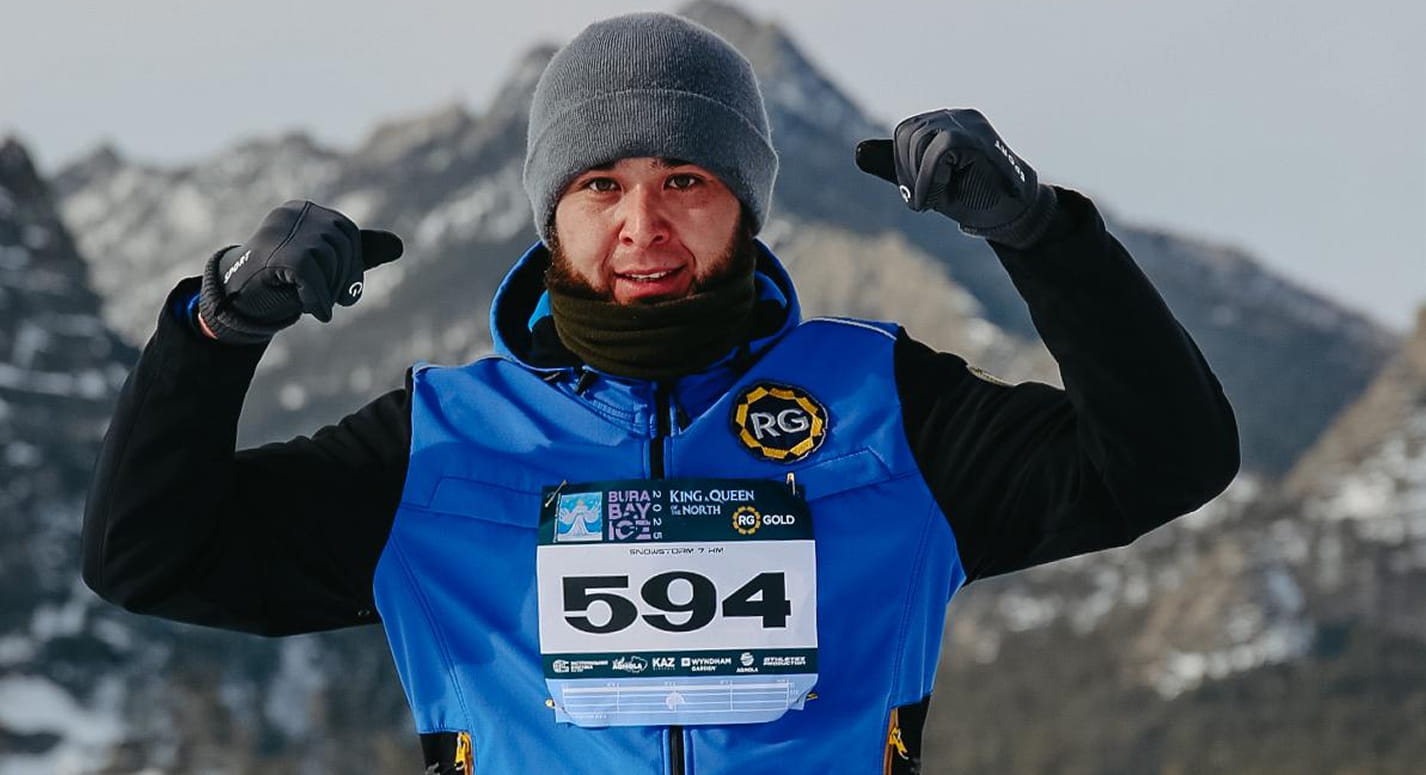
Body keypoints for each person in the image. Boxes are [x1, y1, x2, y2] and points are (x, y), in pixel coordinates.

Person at [82, 11, 1239, 775]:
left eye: (685, 177)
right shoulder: (440, 445)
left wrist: (1040, 234)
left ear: (743, 205)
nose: (643, 223)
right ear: (551, 216)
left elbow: (1166, 460)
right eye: (600, 185)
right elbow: (149, 556)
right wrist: (216, 331)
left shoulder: (885, 408)